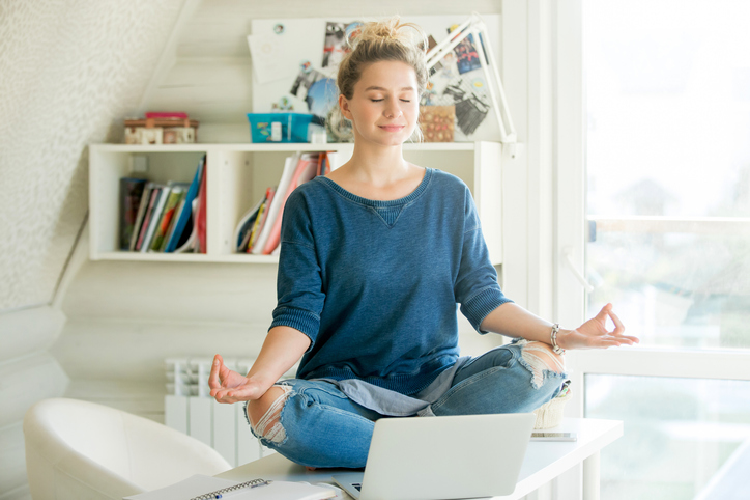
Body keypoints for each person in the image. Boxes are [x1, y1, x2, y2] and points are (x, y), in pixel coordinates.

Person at [209, 18, 638, 469]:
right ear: (347, 105)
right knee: (267, 409)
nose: (394, 110)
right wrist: (257, 381)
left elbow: (482, 299)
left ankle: (395, 449)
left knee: (544, 364)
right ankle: (433, 448)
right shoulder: (311, 203)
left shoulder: (450, 195)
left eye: (406, 98)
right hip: (343, 391)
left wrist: (561, 335)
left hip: (438, 384)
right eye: (377, 98)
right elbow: (299, 315)